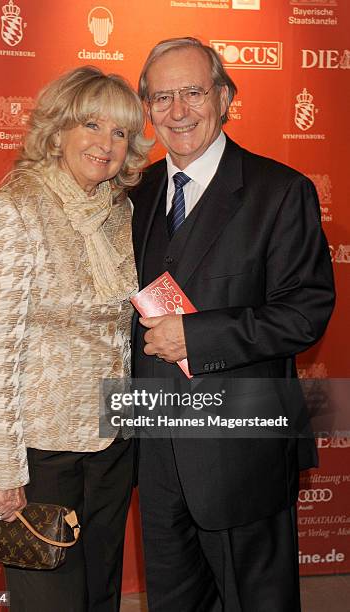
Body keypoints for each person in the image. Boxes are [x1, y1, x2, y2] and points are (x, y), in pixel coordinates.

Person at [130, 37, 335, 612]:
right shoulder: (135, 195)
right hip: (155, 452)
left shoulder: (280, 191)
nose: (178, 111)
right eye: (162, 97)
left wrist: (196, 336)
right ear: (147, 108)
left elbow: (304, 312)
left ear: (224, 97)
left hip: (244, 449)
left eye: (193, 92)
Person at [0, 65, 151, 612]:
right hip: (41, 452)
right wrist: (3, 474)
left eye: (120, 133)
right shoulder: (11, 211)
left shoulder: (120, 210)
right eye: (91, 125)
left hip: (112, 441)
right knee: (51, 600)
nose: (106, 144)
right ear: (58, 131)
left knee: (99, 594)